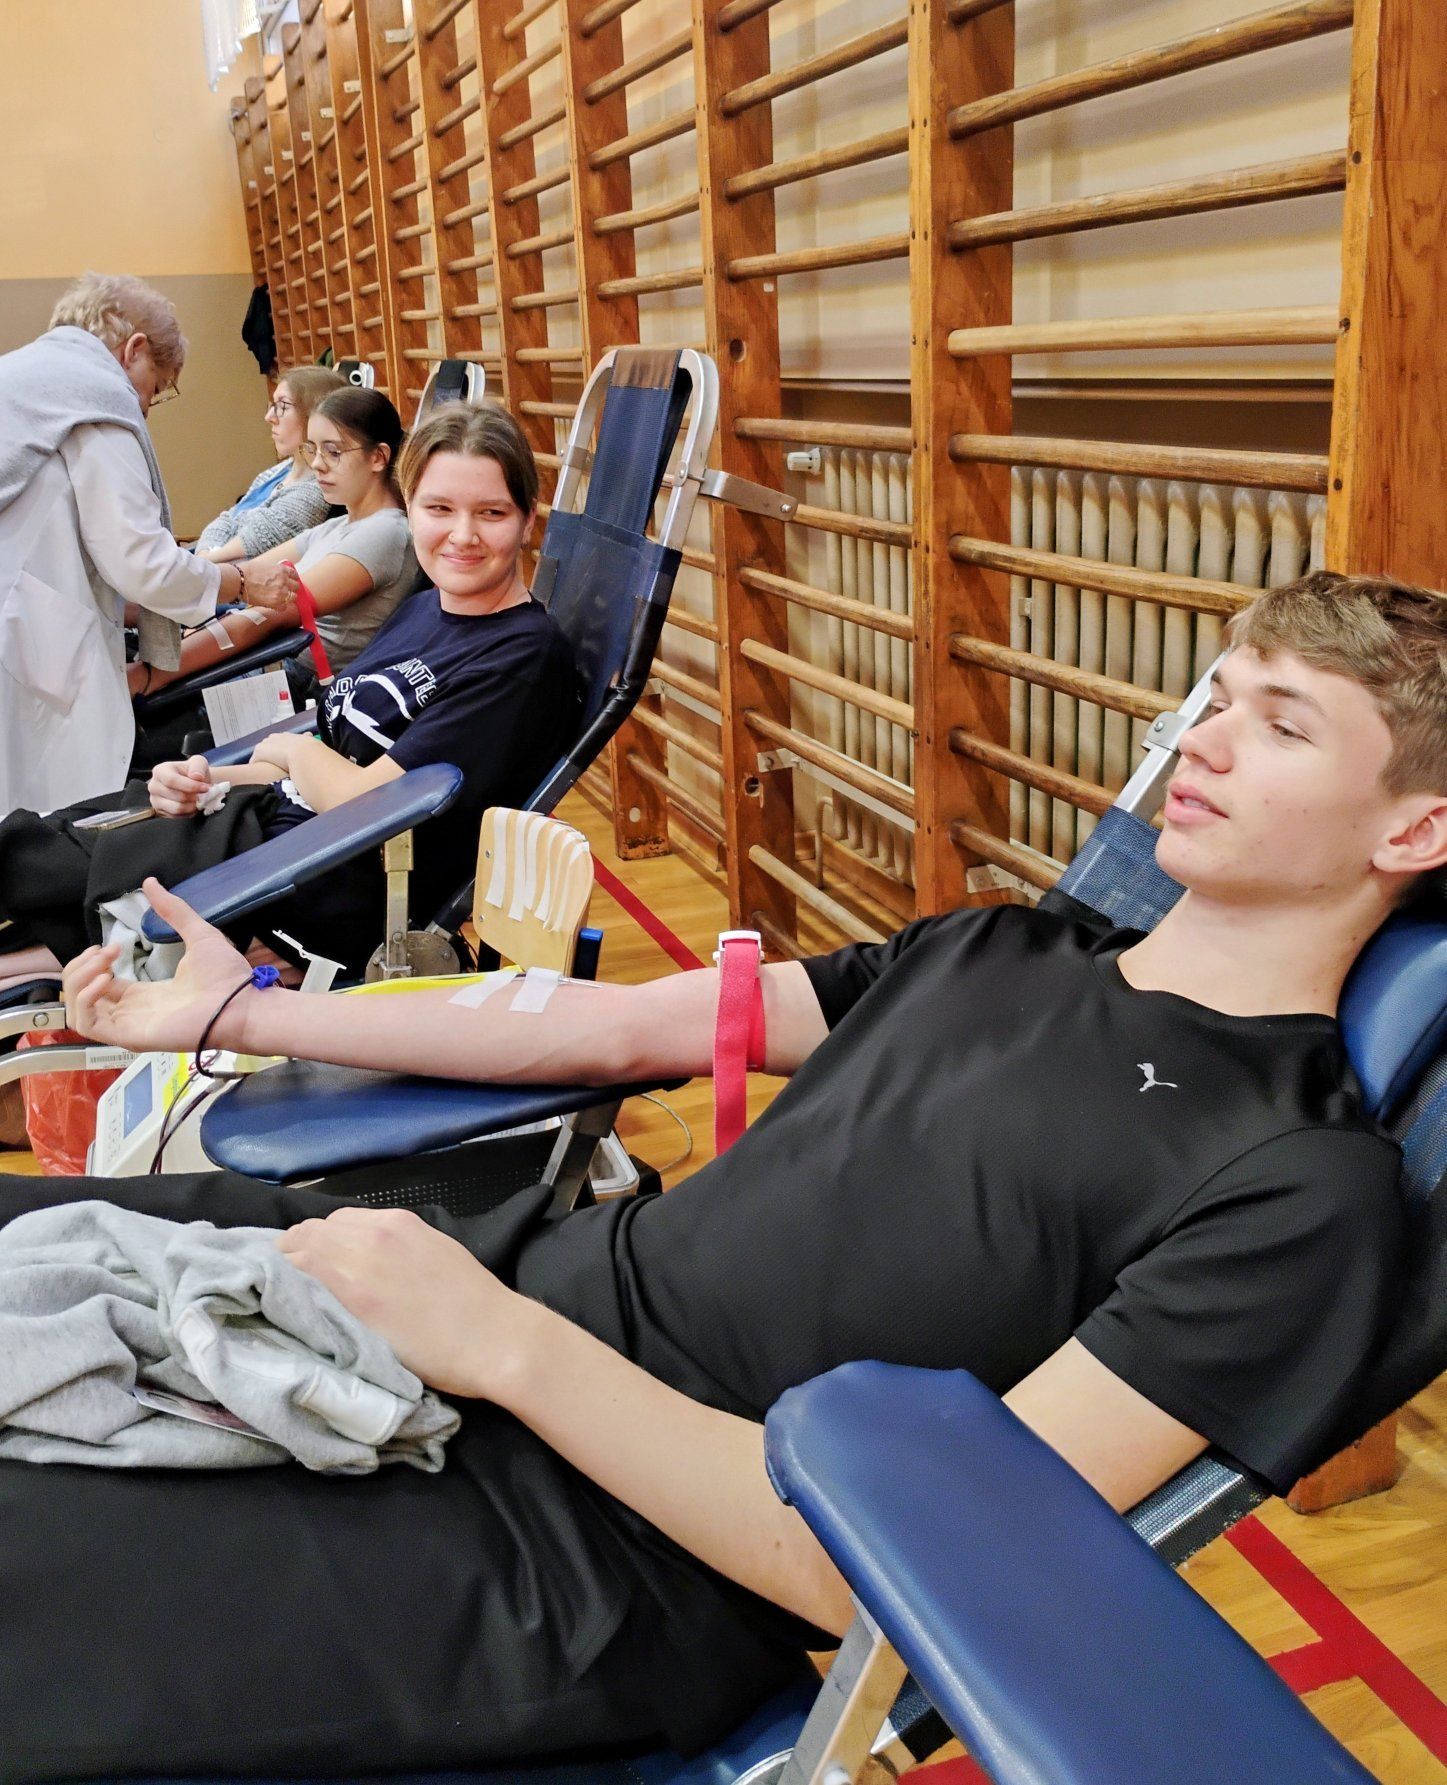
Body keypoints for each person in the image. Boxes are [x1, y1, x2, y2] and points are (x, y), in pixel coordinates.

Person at [1, 572, 1443, 1780]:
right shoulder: (996, 946)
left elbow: (899, 1572)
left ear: (1412, 828)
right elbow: (612, 1025)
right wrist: (240, 1014)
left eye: (1280, 723)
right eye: (1215, 697)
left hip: (599, 1553)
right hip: (488, 1294)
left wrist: (498, 1347)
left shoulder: (1298, 1185)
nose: (1204, 740)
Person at [0, 401, 580, 985]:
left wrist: (290, 748)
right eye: (439, 508)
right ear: (412, 508)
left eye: (491, 512)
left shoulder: (521, 660)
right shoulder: (424, 609)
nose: (463, 534)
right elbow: (323, 761)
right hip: (272, 828)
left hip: (311, 881)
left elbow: (366, 802)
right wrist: (207, 780)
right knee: (71, 829)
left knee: (54, 871)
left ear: (527, 519)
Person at [0, 272, 259, 816]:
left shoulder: (22, 373)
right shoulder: (93, 393)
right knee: (47, 814)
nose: (144, 408)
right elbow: (140, 562)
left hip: (26, 618)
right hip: (25, 637)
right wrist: (239, 582)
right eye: (155, 389)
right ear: (134, 348)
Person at [131, 385, 418, 710]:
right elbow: (244, 577)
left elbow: (269, 614)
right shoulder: (337, 527)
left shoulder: (385, 531)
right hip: (272, 662)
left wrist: (150, 674)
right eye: (313, 450)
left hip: (302, 687)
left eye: (333, 452)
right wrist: (144, 605)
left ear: (378, 457)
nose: (318, 464)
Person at [192, 364, 345, 562]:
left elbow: (256, 541)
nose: (269, 417)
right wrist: (202, 558)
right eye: (273, 405)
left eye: (282, 407)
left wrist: (202, 566)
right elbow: (227, 519)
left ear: (314, 414)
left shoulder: (318, 488)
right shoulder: (277, 471)